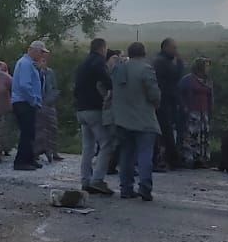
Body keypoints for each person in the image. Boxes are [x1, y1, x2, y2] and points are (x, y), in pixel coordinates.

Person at [111, 42, 161, 201]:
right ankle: (145, 188)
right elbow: (154, 94)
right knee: (145, 154)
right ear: (143, 53)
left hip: (122, 119)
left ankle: (126, 188)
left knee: (126, 154)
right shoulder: (146, 69)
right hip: (143, 118)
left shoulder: (118, 69)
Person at [74, 38, 114, 195]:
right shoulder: (98, 62)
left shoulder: (83, 64)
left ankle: (85, 180)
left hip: (81, 109)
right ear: (102, 48)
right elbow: (107, 80)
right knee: (106, 143)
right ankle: (97, 180)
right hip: (93, 109)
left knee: (88, 146)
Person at [11, 41, 45, 170]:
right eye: (41, 52)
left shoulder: (29, 64)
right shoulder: (25, 64)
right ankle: (21, 161)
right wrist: (33, 100)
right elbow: (25, 85)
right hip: (24, 102)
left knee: (31, 132)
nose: (42, 55)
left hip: (25, 102)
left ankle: (29, 159)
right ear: (33, 51)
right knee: (26, 132)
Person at [152, 38, 184, 170]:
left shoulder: (162, 60)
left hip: (166, 100)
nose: (175, 51)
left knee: (166, 131)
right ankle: (171, 160)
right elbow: (175, 76)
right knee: (166, 131)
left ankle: (168, 158)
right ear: (165, 47)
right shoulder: (162, 62)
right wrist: (180, 62)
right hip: (164, 101)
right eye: (174, 48)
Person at [178, 57, 214, 168]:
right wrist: (183, 106)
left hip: (204, 112)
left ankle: (202, 159)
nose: (208, 68)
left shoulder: (208, 80)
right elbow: (179, 93)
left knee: (203, 136)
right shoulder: (188, 79)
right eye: (206, 66)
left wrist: (211, 108)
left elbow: (210, 96)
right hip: (192, 111)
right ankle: (189, 158)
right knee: (191, 136)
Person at [35, 49, 62, 163]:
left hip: (49, 104)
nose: (43, 62)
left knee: (53, 128)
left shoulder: (50, 73)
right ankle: (36, 151)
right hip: (37, 104)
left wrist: (51, 99)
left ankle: (54, 151)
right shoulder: (35, 72)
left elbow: (55, 88)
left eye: (45, 60)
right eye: (41, 60)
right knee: (38, 128)